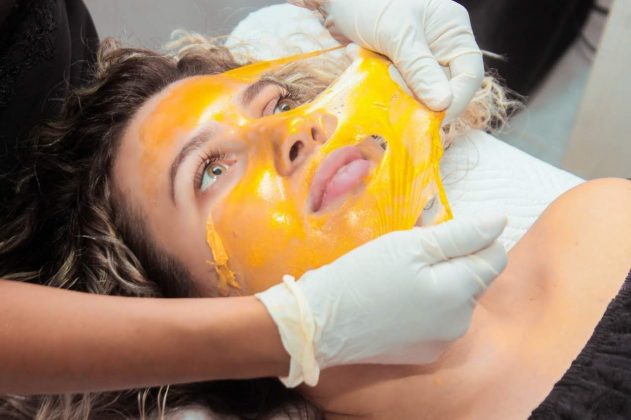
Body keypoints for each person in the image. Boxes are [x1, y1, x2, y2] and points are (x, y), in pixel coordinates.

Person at [5, 23, 628, 417]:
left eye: (276, 102)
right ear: (178, 302)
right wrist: (297, 329)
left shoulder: (595, 224)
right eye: (210, 171)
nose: (294, 130)